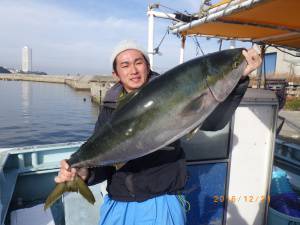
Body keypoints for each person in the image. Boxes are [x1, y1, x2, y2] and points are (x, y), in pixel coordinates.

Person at [55, 40, 262, 225]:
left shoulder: (174, 90)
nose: (133, 70)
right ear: (116, 74)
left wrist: (239, 78)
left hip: (161, 200)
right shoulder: (110, 109)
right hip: (118, 201)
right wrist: (84, 172)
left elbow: (214, 123)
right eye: (125, 65)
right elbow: (106, 162)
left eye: (139, 62)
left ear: (147, 65)